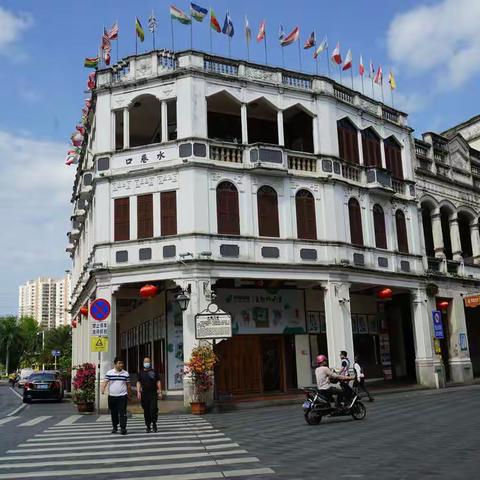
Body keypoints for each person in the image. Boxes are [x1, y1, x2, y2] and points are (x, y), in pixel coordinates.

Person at [101, 357, 131, 435]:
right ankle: (115, 427)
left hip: (122, 396)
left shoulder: (125, 373)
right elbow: (105, 382)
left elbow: (128, 385)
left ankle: (123, 428)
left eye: (122, 363)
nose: (121, 365)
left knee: (122, 412)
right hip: (112, 396)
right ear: (115, 364)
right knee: (113, 413)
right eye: (119, 363)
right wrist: (103, 389)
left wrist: (129, 395)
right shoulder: (109, 373)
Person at [136, 356, 163, 433]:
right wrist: (138, 391)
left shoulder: (154, 372)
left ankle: (154, 423)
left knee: (153, 409)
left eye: (148, 362)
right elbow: (138, 382)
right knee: (146, 411)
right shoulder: (140, 372)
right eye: (145, 362)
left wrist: (160, 391)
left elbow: (158, 381)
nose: (146, 363)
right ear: (143, 363)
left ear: (150, 363)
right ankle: (148, 426)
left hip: (153, 394)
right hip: (144, 394)